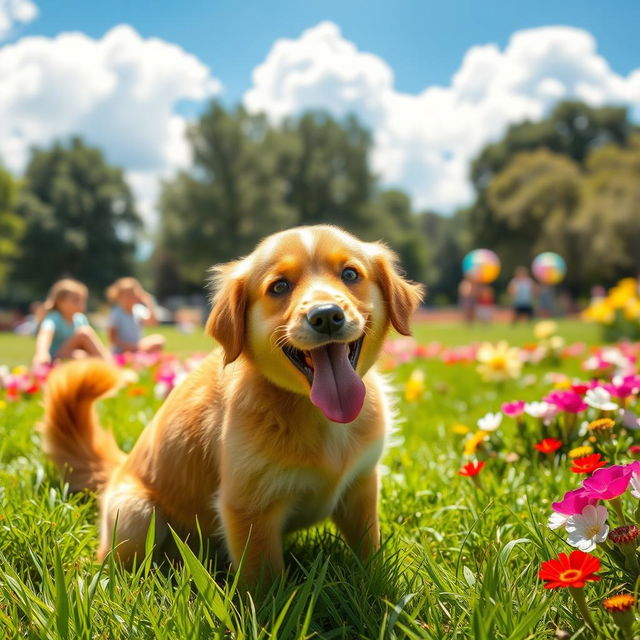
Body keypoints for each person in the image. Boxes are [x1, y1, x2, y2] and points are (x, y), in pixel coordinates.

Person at [33, 279, 111, 365]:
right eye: (76, 300)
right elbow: (45, 334)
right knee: (84, 332)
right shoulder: (54, 318)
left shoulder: (80, 319)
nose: (81, 304)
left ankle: (104, 363)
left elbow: (88, 344)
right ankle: (109, 364)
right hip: (55, 357)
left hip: (69, 355)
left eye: (83, 300)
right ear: (60, 302)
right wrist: (42, 353)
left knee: (81, 355)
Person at [106, 277, 165, 354]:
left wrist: (149, 303)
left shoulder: (139, 310)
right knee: (128, 352)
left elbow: (153, 323)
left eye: (132, 295)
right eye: (127, 296)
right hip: (122, 349)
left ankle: (138, 355)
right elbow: (112, 339)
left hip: (137, 346)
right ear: (119, 297)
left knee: (159, 339)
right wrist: (130, 347)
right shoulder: (116, 313)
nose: (130, 298)